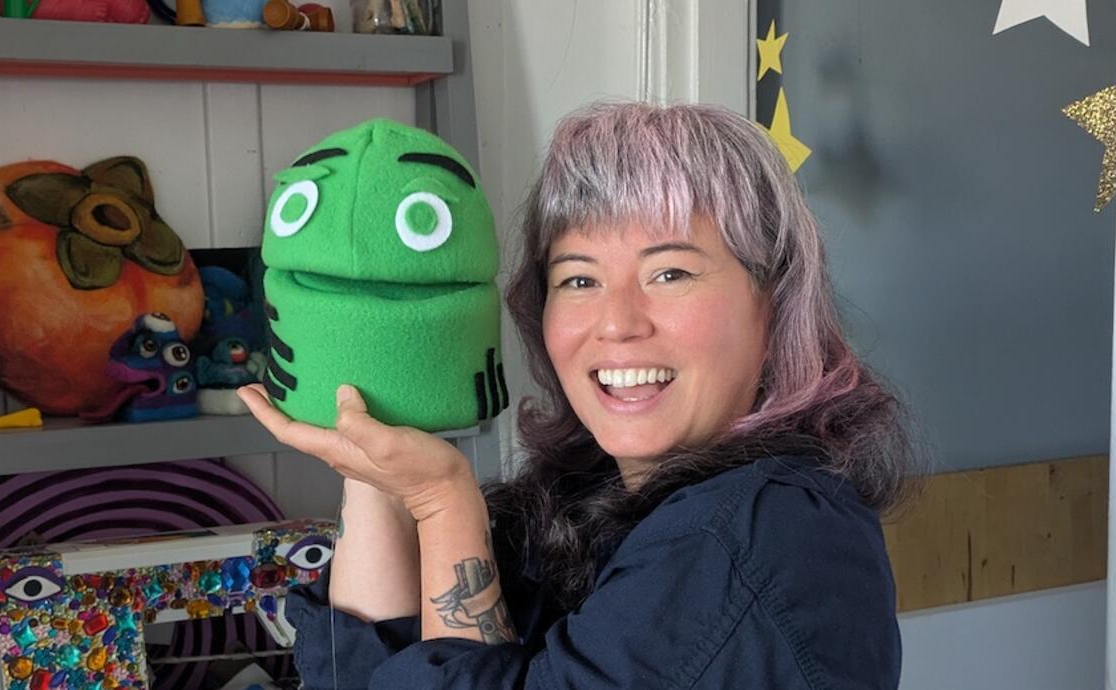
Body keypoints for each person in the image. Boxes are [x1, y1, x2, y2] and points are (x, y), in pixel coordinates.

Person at [238, 101, 921, 689]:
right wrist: (372, 468)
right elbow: (371, 668)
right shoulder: (587, 498)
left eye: (670, 273)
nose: (616, 323)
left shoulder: (757, 533)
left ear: (774, 300)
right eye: (579, 279)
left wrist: (442, 502)